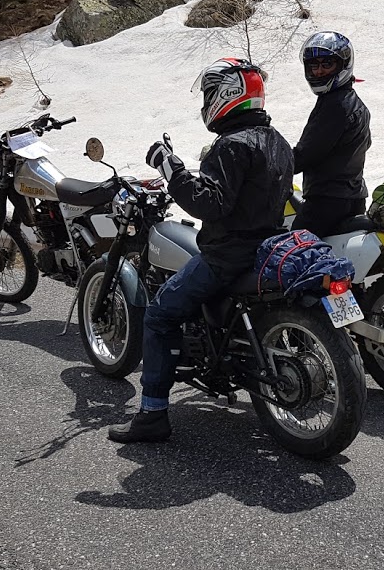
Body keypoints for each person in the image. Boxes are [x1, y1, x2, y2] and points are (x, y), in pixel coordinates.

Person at [108, 58, 294, 444]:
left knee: (159, 316)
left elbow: (208, 204)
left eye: (210, 94)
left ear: (229, 94)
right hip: (268, 248)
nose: (206, 102)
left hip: (227, 255)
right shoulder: (278, 142)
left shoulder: (231, 145)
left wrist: (171, 168)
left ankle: (152, 415)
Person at [290, 31, 372, 237]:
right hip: (352, 197)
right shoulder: (353, 102)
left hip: (327, 202)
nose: (319, 71)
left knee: (291, 250)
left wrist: (271, 163)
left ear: (343, 65)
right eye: (313, 65)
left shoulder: (335, 106)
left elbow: (306, 154)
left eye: (327, 64)